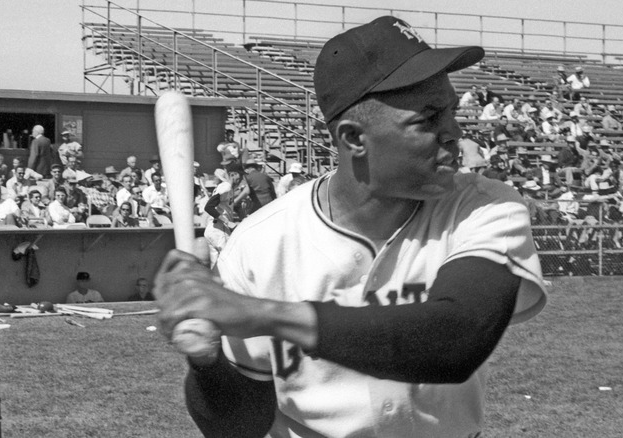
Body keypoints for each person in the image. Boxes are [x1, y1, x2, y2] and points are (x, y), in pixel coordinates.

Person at [153, 16, 546, 438]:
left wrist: (259, 314)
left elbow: (455, 340)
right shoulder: (260, 246)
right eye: (428, 118)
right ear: (354, 138)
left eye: (450, 111)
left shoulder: (481, 206)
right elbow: (239, 426)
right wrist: (206, 361)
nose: (453, 132)